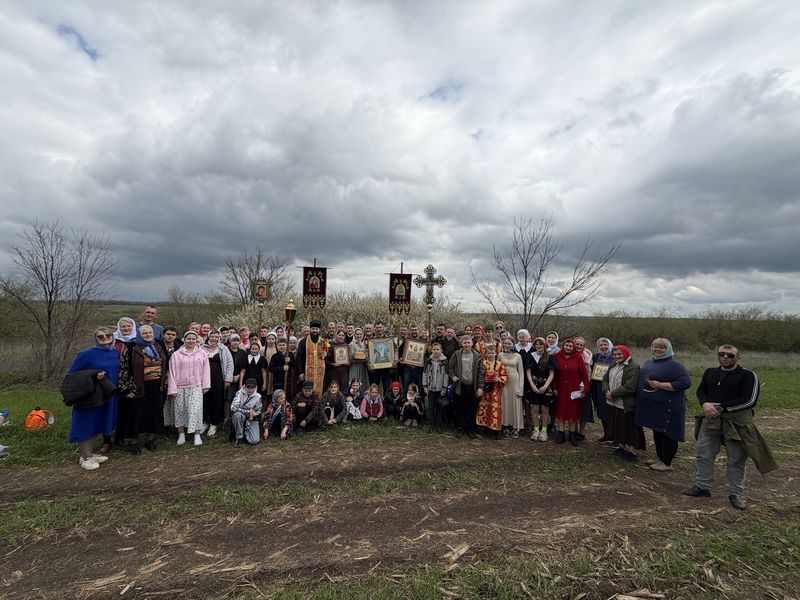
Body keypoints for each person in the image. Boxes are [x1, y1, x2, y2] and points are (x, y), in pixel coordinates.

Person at [683, 345, 777, 510]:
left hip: (736, 422)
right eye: (722, 354)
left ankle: (735, 493)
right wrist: (704, 403)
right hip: (710, 419)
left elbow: (749, 400)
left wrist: (721, 408)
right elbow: (701, 391)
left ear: (738, 358)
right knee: (704, 453)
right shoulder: (710, 372)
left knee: (736, 459)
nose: (725, 357)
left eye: (730, 355)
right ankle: (703, 487)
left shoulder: (748, 375)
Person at [635, 338, 691, 472]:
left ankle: (667, 462)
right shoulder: (650, 362)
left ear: (668, 350)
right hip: (655, 405)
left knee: (668, 433)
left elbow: (685, 383)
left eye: (661, 348)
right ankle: (660, 457)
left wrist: (660, 385)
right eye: (655, 347)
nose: (657, 350)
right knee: (658, 431)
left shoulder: (674, 365)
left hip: (669, 406)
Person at [66, 327, 119, 470]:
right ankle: (85, 457)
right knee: (86, 423)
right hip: (91, 395)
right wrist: (93, 375)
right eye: (100, 336)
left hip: (108, 394)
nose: (104, 338)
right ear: (95, 338)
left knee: (98, 423)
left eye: (107, 335)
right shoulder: (86, 354)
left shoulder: (115, 352)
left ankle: (89, 453)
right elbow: (71, 374)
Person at [117, 324, 168, 453]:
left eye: (150, 332)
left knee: (154, 413)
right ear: (139, 334)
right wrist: (126, 388)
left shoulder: (157, 345)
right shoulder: (132, 346)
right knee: (136, 414)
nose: (148, 335)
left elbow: (165, 363)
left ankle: (150, 440)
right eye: (144, 333)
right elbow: (125, 368)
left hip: (156, 385)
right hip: (138, 386)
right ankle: (134, 442)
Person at [166, 331, 210, 446]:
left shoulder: (202, 354)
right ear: (184, 340)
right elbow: (172, 372)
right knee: (180, 411)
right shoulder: (176, 355)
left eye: (193, 339)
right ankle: (181, 434)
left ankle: (197, 435)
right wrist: (173, 389)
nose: (191, 341)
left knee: (195, 411)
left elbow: (206, 371)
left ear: (196, 341)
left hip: (196, 386)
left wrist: (206, 385)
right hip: (180, 387)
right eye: (189, 339)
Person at [602, 345, 645, 462]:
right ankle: (621, 447)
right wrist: (606, 391)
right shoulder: (613, 364)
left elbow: (630, 386)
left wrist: (613, 394)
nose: (617, 356)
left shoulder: (633, 367)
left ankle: (632, 451)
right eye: (615, 354)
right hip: (612, 403)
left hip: (625, 404)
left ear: (626, 353)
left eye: (619, 354)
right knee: (617, 426)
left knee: (629, 427)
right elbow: (605, 379)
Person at [552, 338, 590, 446]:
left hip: (574, 390)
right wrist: (554, 388)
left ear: (573, 348)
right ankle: (561, 433)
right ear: (563, 346)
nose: (568, 348)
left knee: (573, 412)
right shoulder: (557, 356)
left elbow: (584, 375)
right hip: (561, 389)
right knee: (561, 411)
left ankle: (572, 434)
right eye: (566, 346)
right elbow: (553, 374)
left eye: (570, 346)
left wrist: (585, 389)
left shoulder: (578, 358)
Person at [448, 335, 486, 439]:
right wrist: (453, 376)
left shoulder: (477, 355)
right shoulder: (457, 354)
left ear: (472, 343)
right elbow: (450, 367)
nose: (466, 345)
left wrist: (480, 387)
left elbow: (481, 373)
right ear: (461, 343)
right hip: (460, 386)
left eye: (468, 342)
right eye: (464, 343)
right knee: (460, 408)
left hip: (473, 387)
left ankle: (471, 429)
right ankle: (461, 428)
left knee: (472, 409)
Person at [201, 330, 233, 438]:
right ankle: (204, 422)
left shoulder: (223, 349)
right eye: (212, 336)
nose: (214, 338)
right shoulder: (201, 348)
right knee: (204, 401)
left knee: (216, 400)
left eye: (216, 337)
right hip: (203, 379)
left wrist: (228, 379)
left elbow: (229, 364)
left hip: (218, 379)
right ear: (208, 337)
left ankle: (213, 424)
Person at [476, 344, 508, 439]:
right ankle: (487, 428)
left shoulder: (499, 364)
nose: (490, 355)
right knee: (485, 409)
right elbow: (479, 374)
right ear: (486, 353)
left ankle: (496, 429)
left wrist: (498, 379)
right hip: (485, 390)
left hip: (495, 390)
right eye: (489, 353)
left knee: (495, 409)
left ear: (496, 353)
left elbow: (505, 375)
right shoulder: (483, 363)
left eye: (492, 353)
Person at [527, 337, 555, 442]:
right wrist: (532, 385)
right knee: (534, 408)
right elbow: (528, 372)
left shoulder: (549, 357)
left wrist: (546, 386)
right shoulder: (531, 356)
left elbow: (552, 373)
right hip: (534, 385)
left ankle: (544, 431)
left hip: (545, 386)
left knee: (545, 409)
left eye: (541, 344)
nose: (538, 346)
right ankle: (536, 430)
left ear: (544, 345)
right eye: (537, 344)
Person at [498, 337, 524, 438]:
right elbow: (497, 368)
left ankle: (515, 427)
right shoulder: (500, 355)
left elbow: (521, 373)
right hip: (503, 384)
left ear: (513, 344)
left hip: (515, 383)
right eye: (505, 343)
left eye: (509, 343)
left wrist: (520, 387)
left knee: (515, 404)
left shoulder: (518, 356)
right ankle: (505, 426)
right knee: (504, 404)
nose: (507, 345)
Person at [591, 338, 615, 443]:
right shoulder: (595, 357)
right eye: (601, 345)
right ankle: (607, 435)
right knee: (602, 412)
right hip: (598, 387)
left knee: (613, 413)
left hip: (612, 388)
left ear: (609, 345)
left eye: (605, 344)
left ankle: (615, 437)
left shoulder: (615, 357)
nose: (603, 347)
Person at [297, 320, 329, 398]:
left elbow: (330, 354)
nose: (315, 331)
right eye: (313, 329)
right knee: (307, 390)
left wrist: (326, 354)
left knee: (321, 390)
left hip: (321, 373)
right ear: (310, 330)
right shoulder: (303, 342)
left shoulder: (324, 342)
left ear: (319, 330)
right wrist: (300, 372)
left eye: (316, 329)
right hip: (307, 372)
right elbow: (299, 357)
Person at [423, 341, 450, 433]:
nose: (436, 351)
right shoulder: (428, 360)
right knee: (431, 407)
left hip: (440, 389)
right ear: (431, 350)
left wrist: (444, 388)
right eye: (434, 349)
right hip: (431, 388)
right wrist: (425, 386)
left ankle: (439, 425)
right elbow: (425, 373)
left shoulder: (445, 361)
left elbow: (446, 375)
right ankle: (431, 424)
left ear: (441, 350)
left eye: (438, 349)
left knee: (439, 408)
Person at [230, 378, 262, 446]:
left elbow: (259, 410)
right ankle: (239, 438)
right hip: (241, 416)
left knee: (254, 441)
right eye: (248, 387)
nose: (250, 390)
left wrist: (254, 413)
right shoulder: (239, 393)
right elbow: (233, 407)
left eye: (252, 387)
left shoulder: (258, 396)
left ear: (256, 387)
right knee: (237, 415)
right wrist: (248, 412)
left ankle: (245, 432)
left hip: (251, 419)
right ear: (244, 386)